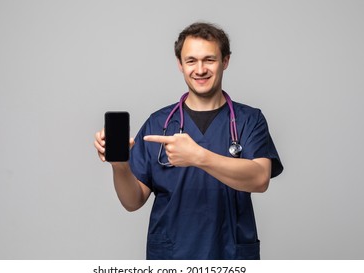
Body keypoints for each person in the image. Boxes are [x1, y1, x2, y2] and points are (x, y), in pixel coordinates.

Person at [94, 22, 283, 260]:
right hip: (172, 258)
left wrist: (198, 157)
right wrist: (119, 165)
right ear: (180, 65)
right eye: (191, 60)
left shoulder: (248, 120)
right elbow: (132, 201)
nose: (200, 69)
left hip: (230, 256)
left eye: (209, 60)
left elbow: (260, 179)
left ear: (225, 61)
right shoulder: (159, 123)